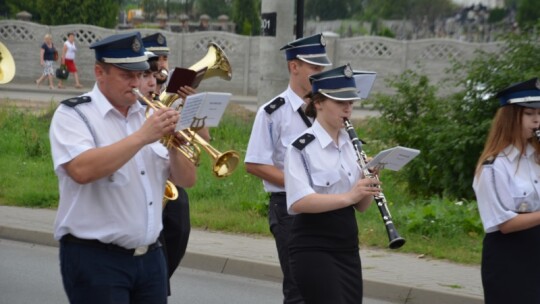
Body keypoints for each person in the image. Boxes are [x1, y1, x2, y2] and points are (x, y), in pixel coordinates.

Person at [49, 32, 197, 304]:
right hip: (96, 259)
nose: (137, 83)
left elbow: (187, 179)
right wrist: (142, 136)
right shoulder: (74, 114)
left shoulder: (150, 114)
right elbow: (82, 170)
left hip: (152, 258)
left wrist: (177, 144)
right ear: (99, 72)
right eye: (126, 75)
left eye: (140, 74)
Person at [244, 33, 331, 304]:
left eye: (321, 69)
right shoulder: (272, 113)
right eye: (314, 68)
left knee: (326, 287)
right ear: (294, 67)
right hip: (289, 209)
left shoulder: (326, 109)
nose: (320, 74)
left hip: (327, 205)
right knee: (298, 289)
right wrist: (298, 185)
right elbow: (255, 163)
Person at [283, 64, 381, 304]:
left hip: (346, 244)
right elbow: (299, 201)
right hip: (313, 246)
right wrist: (350, 195)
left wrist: (369, 183)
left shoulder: (351, 145)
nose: (348, 109)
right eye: (340, 102)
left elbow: (362, 207)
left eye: (351, 103)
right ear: (318, 103)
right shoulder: (300, 147)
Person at [142, 32, 207, 282]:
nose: (162, 65)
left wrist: (192, 105)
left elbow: (204, 137)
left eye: (165, 58)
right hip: (150, 186)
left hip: (172, 182)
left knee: (179, 231)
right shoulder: (146, 95)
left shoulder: (173, 93)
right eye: (157, 60)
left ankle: (161, 279)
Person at [473, 78, 540, 304]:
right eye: (529, 113)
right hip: (509, 258)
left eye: (539, 113)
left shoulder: (536, 159)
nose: (537, 119)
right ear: (511, 117)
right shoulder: (494, 166)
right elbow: (505, 223)